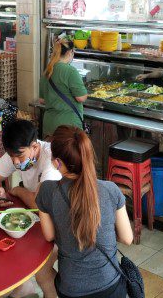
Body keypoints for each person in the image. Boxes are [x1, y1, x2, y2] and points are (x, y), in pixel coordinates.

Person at [37, 126, 134, 298]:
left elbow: (49, 235)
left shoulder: (47, 190)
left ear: (57, 162)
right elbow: (127, 238)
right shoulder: (111, 190)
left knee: (44, 276)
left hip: (72, 289)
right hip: (110, 286)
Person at [0, 119, 60, 298]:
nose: (15, 162)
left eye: (20, 156)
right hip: (37, 219)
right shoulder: (17, 152)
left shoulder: (50, 159)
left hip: (58, 224)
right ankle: (22, 290)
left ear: (34, 146)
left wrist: (17, 190)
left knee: (42, 271)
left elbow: (40, 204)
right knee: (5, 254)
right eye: (11, 156)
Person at [39, 37, 88, 137]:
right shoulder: (71, 71)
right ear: (70, 52)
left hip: (49, 125)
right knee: (67, 153)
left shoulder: (47, 71)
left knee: (51, 152)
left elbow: (42, 100)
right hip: (68, 126)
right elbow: (81, 97)